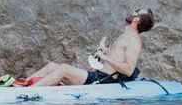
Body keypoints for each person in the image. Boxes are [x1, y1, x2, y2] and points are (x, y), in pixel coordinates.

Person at [19, 9, 154, 87]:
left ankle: (29, 94)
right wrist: (104, 51)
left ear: (136, 20)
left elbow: (129, 70)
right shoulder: (126, 35)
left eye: (136, 12)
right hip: (99, 75)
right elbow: (113, 60)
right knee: (52, 66)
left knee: (64, 69)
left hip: (103, 80)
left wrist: (104, 57)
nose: (133, 11)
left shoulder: (134, 40)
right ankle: (21, 87)